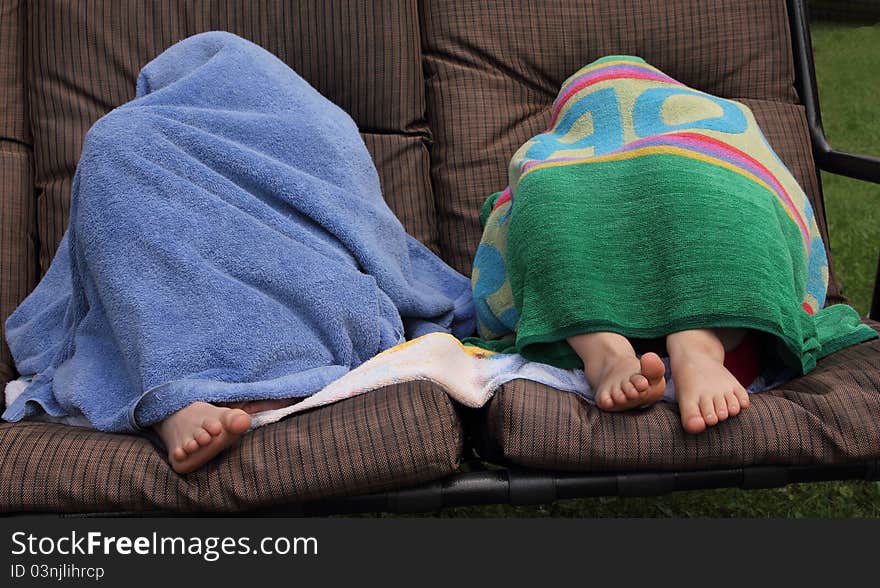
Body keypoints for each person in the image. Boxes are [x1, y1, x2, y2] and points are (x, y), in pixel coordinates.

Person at [3, 32, 475, 474]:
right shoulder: (145, 144)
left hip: (306, 280)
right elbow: (116, 250)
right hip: (177, 287)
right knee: (118, 147)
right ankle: (181, 393)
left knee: (120, 142)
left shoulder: (317, 134)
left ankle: (221, 386)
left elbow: (364, 231)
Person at [466, 56, 877, 433]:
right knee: (551, 194)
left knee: (705, 186)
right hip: (625, 191)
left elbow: (763, 181)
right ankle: (650, 346)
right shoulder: (556, 150)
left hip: (676, 180)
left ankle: (656, 345)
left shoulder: (708, 124)